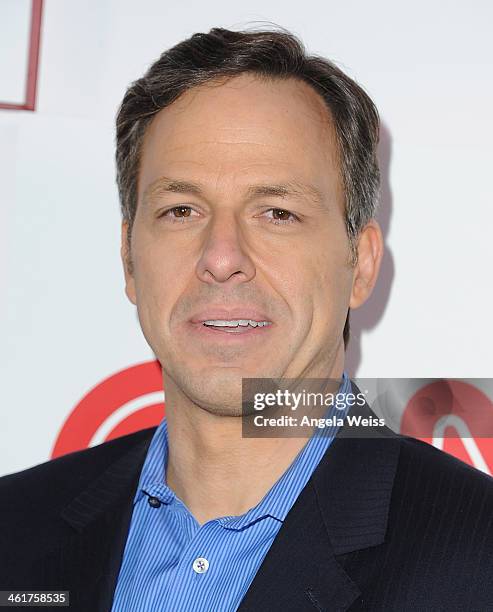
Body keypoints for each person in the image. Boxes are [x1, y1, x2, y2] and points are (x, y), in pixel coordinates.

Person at [1, 26, 492, 612]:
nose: (221, 257)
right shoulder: (14, 529)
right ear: (130, 258)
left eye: (277, 213)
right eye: (181, 210)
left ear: (359, 264)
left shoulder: (478, 556)